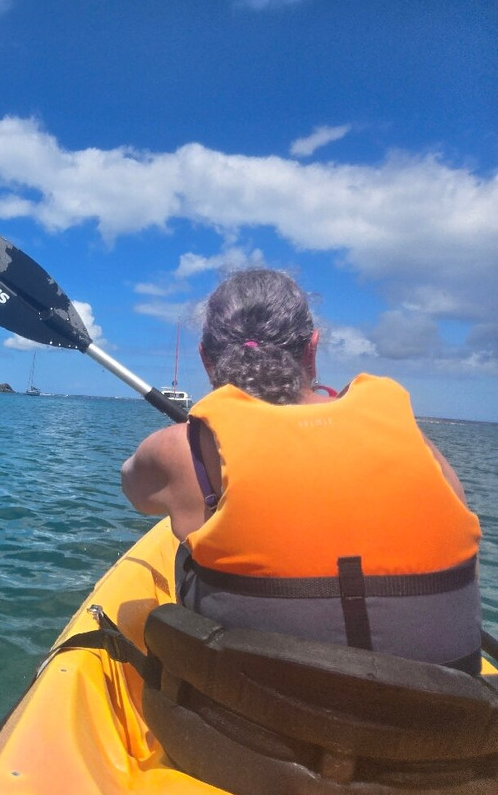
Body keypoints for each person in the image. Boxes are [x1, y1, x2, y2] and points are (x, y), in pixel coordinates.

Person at [121, 269, 483, 673]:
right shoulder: (409, 433)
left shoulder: (179, 448)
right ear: (312, 347)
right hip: (449, 719)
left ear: (206, 358)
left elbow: (134, 490)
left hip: (255, 723)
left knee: (186, 547)